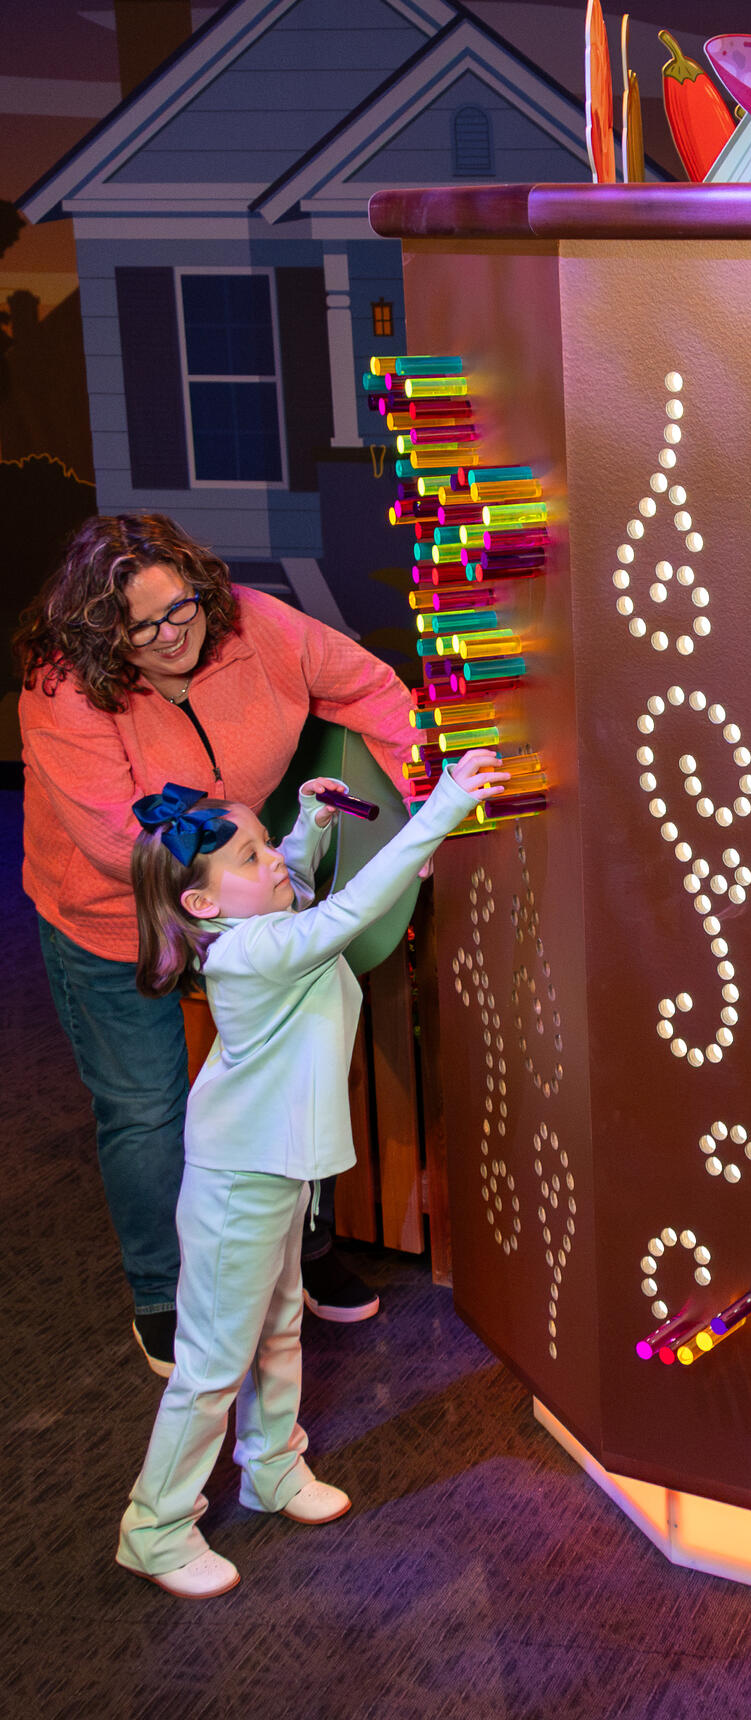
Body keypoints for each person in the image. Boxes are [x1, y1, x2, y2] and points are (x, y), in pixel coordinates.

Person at [17, 513, 417, 1375]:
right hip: (109, 919)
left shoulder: (251, 622)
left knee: (286, 1079)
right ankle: (165, 1293)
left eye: (186, 606)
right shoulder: (61, 690)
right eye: (146, 625)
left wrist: (420, 785)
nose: (177, 633)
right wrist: (248, 909)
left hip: (240, 897)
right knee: (146, 1109)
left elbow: (371, 688)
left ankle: (303, 1255)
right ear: (100, 632)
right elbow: (120, 843)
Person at [116, 750, 507, 1598]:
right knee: (213, 1362)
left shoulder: (247, 924)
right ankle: (156, 1527)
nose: (272, 864)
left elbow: (282, 884)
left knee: (283, 1325)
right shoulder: (253, 953)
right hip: (236, 1179)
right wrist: (439, 809)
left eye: (262, 845)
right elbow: (352, 909)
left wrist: (308, 827)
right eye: (248, 857)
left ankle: (273, 1469)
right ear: (202, 905)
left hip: (274, 1166)